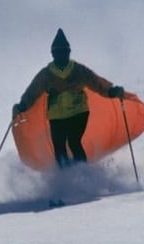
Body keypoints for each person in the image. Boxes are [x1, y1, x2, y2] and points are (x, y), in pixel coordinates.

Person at [13, 28, 126, 168]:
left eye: (64, 52)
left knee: (73, 141)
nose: (61, 56)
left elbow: (96, 83)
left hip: (78, 113)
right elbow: (33, 92)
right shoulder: (47, 74)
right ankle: (68, 177)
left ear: (68, 53)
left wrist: (111, 91)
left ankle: (81, 173)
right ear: (53, 54)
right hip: (57, 116)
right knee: (60, 146)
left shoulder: (77, 70)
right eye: (58, 52)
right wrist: (22, 105)